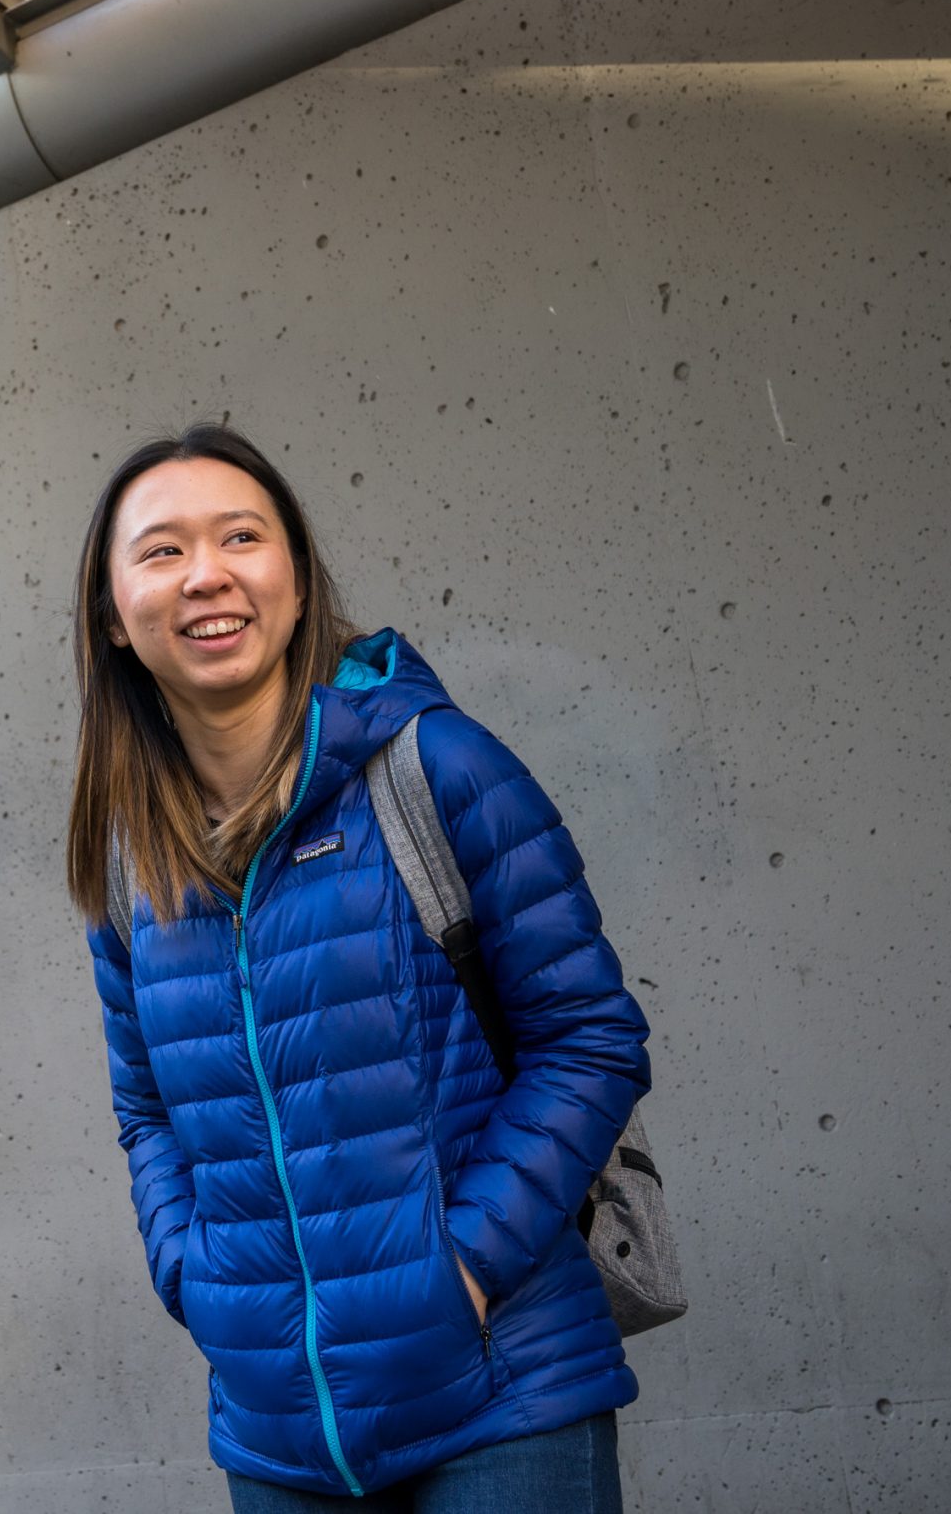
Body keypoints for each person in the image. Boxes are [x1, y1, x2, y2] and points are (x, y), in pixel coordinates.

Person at [67, 423, 652, 1511]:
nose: (207, 572)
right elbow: (145, 1110)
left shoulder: (435, 767)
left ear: (294, 582)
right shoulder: (129, 860)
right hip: (278, 1435)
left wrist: (462, 1271)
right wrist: (201, 1284)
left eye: (241, 535)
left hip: (500, 1393)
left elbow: (589, 1036)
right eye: (161, 549)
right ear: (112, 616)